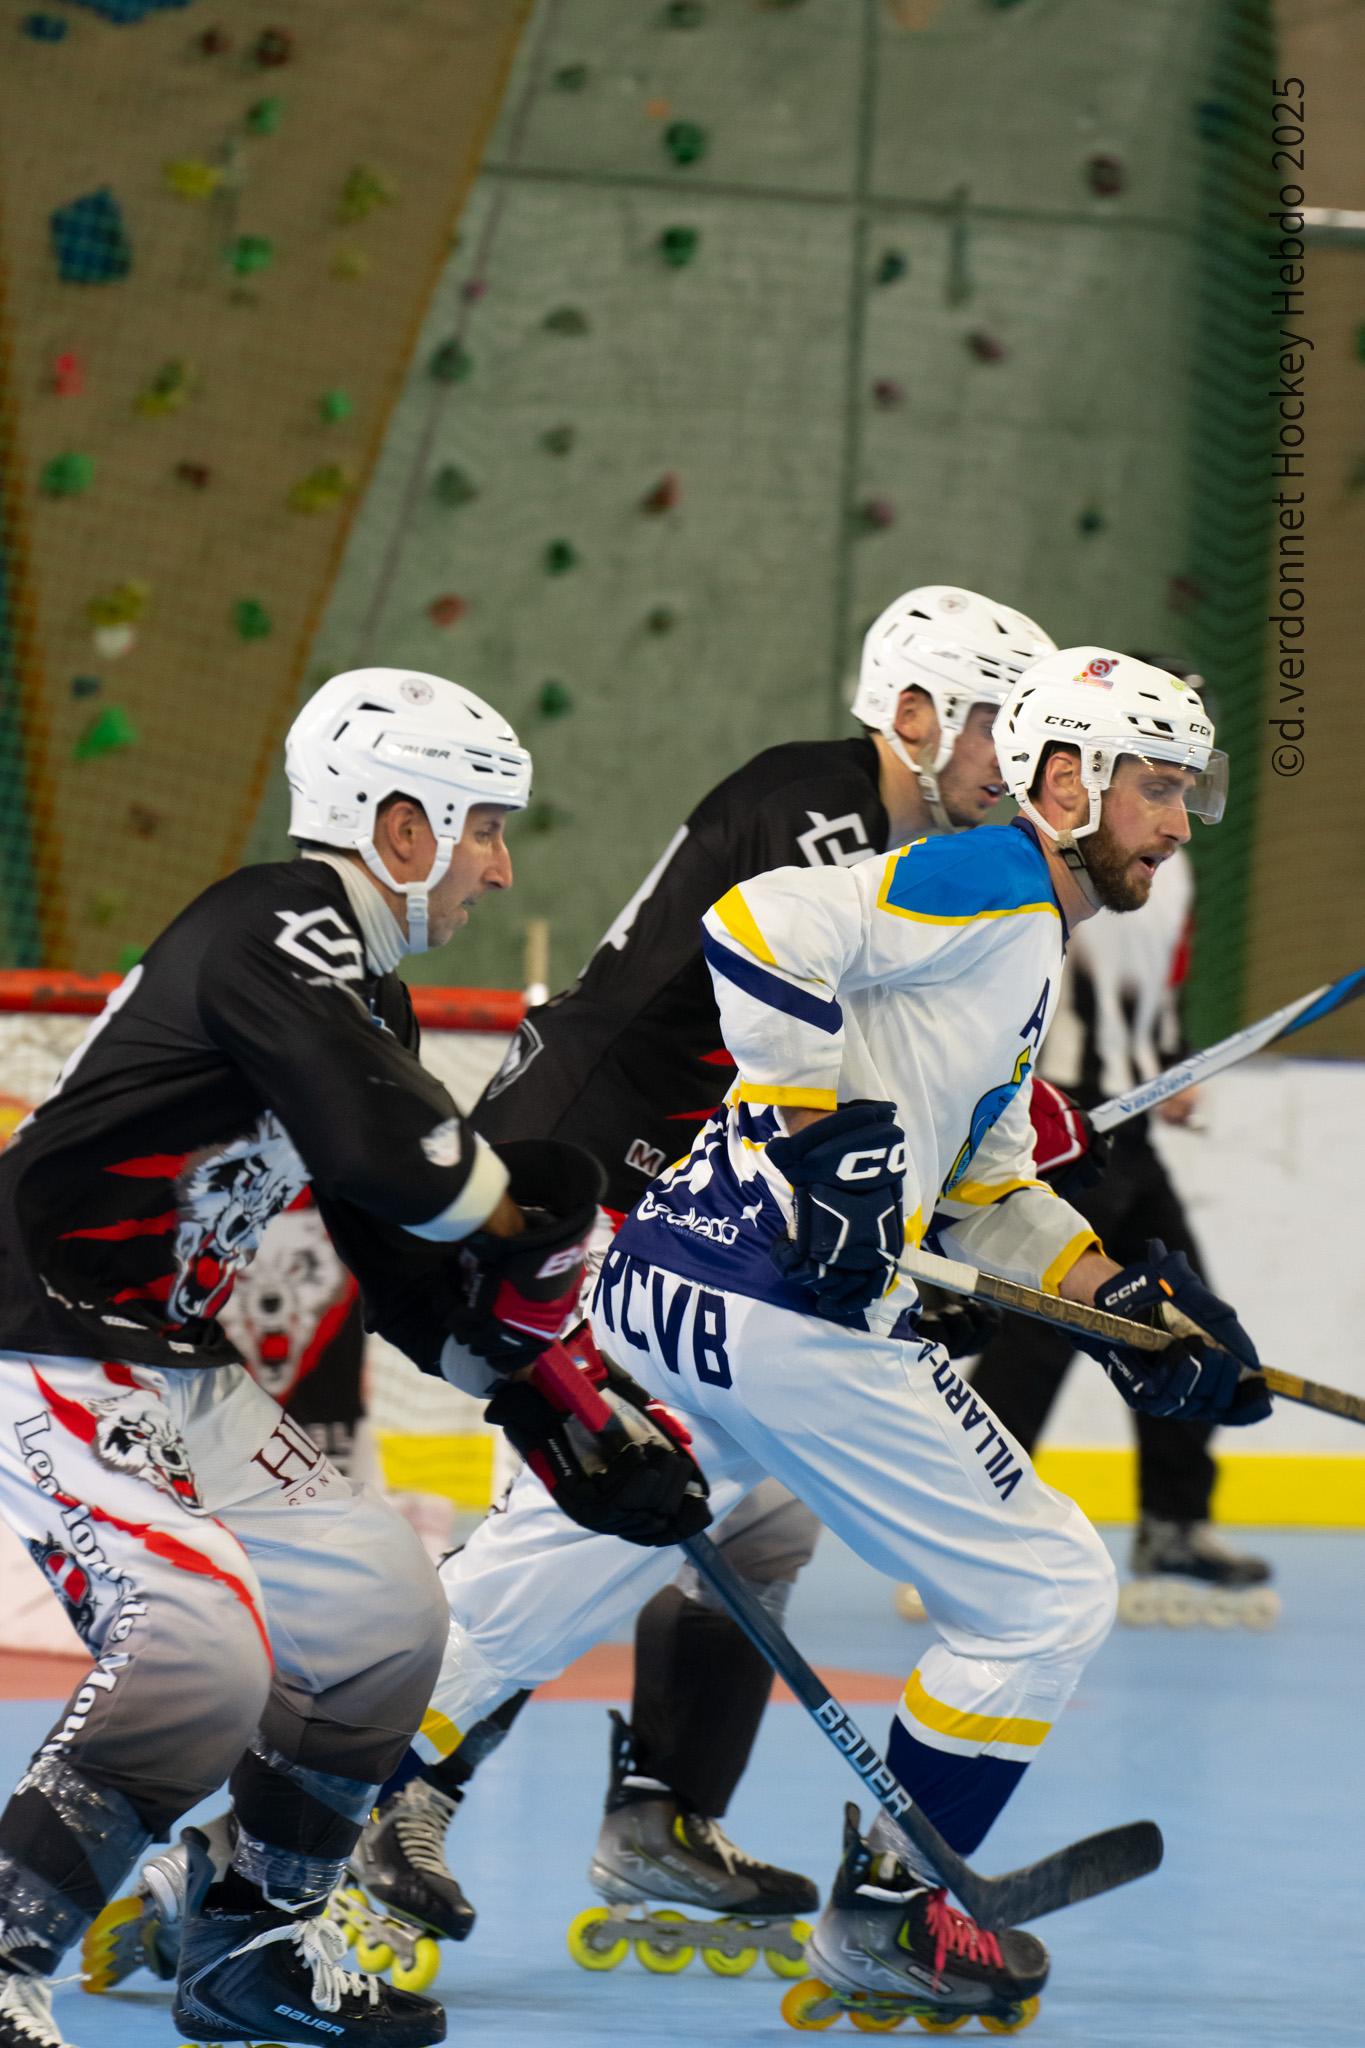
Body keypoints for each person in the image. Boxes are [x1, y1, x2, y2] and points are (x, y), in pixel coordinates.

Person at [357, 647, 1272, 2029]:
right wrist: (808, 1127)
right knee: (1043, 1595)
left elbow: (982, 1187)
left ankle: (289, 1825)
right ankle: (900, 1908)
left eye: (1188, 793)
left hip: (668, 1289)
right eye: (1155, 786)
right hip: (785, 1318)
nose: (1177, 821)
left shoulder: (1023, 936)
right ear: (1066, 782)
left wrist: (1126, 1307)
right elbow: (756, 920)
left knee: (534, 1584)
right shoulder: (997, 876)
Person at [329, 586, 1058, 1972]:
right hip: (586, 1170)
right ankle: (377, 1802)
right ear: (912, 712)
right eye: (991, 726)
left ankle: (660, 1816)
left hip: (682, 1197)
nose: (1011, 762)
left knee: (760, 1514)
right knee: (589, 1499)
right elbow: (810, 1017)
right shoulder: (817, 808)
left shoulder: (926, 850)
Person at [0, 667, 703, 2048]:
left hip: (176, 1358)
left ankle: (254, 1943)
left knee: (384, 1619)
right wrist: (521, 1213)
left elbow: (398, 1262)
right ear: (399, 825)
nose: (499, 867)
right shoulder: (273, 921)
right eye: (483, 829)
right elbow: (407, 1164)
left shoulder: (361, 992)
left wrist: (562, 1409)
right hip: (43, 1333)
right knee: (199, 1652)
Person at [969, 820, 1277, 1625]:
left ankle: (1172, 1523)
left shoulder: (1172, 871)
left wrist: (1166, 1060)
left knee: (1182, 1315)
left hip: (1127, 1126)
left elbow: (1158, 982)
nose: (1174, 809)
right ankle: (975, 1528)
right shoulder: (1063, 858)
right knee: (1042, 1326)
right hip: (1061, 1118)